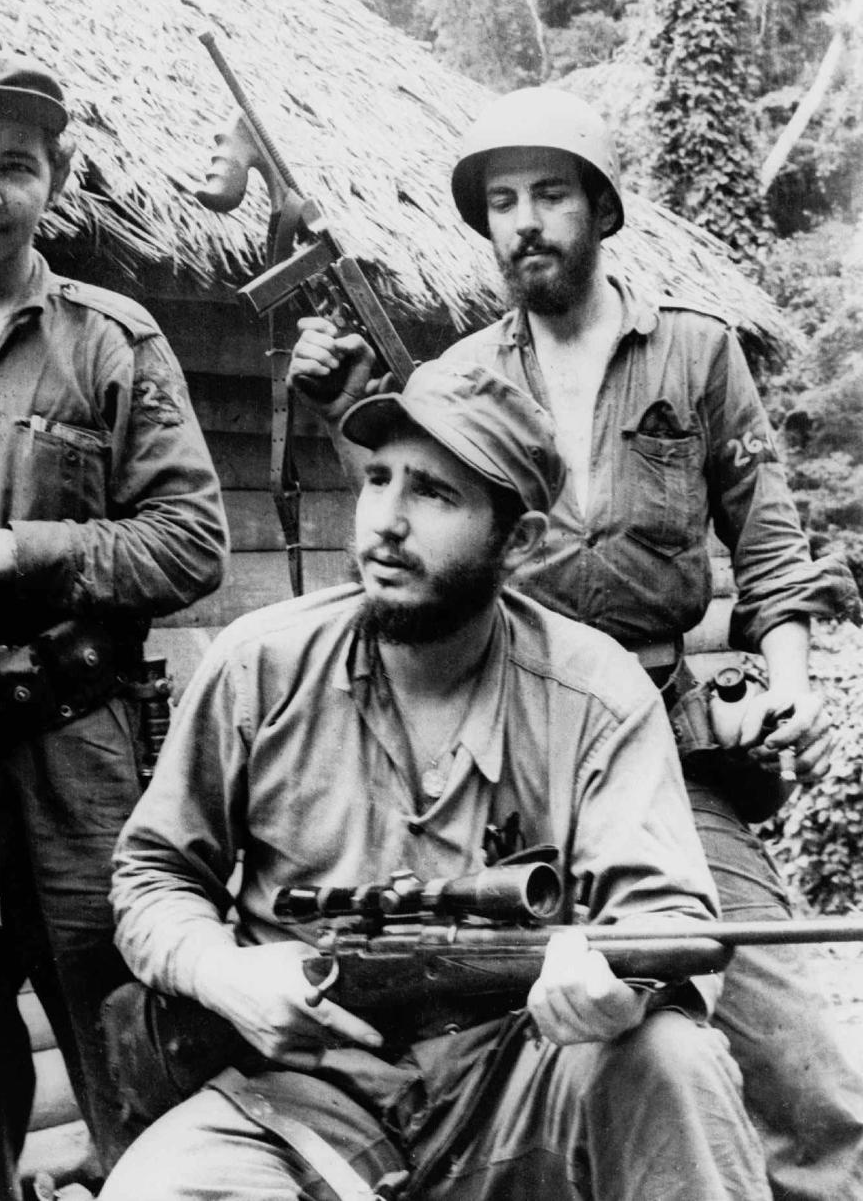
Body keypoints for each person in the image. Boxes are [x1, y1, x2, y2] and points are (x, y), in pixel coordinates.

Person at [287, 86, 863, 1201]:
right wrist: (338, 410)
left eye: (550, 193)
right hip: (500, 749)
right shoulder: (454, 381)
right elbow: (413, 541)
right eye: (502, 202)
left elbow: (770, 535)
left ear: (601, 209)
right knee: (482, 1033)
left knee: (782, 1028)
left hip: (665, 744)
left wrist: (789, 675)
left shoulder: (696, 356)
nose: (524, 223)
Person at [99, 358, 771, 1201]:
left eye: (434, 495)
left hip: (523, 1079)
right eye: (379, 480)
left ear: (517, 541)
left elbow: (669, 919)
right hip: (305, 1091)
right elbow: (153, 874)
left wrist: (617, 993)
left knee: (671, 1057)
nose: (385, 522)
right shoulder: (259, 664)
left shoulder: (595, 691)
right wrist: (221, 972)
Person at [0, 49, 228, 1196]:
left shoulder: (110, 340)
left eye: (14, 165)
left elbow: (193, 543)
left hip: (75, 750)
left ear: (56, 179)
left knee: (128, 1046)